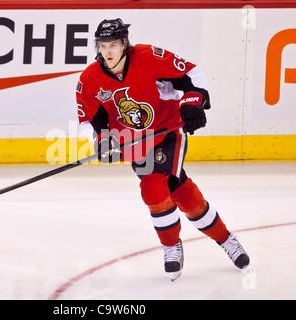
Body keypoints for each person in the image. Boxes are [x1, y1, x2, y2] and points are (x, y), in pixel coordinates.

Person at [76, 18, 249, 281]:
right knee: (184, 195)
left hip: (168, 130)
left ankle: (171, 247)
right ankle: (226, 239)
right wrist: (101, 139)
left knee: (154, 187)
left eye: (113, 44)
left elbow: (190, 74)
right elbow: (90, 119)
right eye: (103, 45)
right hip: (135, 143)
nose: (108, 51)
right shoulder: (89, 78)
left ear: (124, 44)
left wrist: (193, 103)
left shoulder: (148, 56)